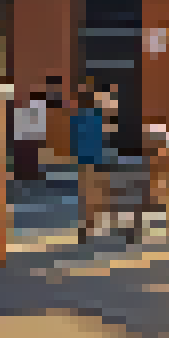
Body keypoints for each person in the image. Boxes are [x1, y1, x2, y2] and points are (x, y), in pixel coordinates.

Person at [71, 88, 108, 240]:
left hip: (83, 160)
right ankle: (92, 224)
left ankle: (87, 224)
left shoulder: (77, 118)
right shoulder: (97, 116)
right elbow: (102, 139)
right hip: (96, 159)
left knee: (85, 193)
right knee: (95, 192)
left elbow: (74, 140)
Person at [11, 91, 48, 183]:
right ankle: (26, 175)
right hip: (27, 137)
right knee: (28, 157)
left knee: (28, 157)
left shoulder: (37, 106)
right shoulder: (38, 106)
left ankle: (25, 175)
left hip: (26, 137)